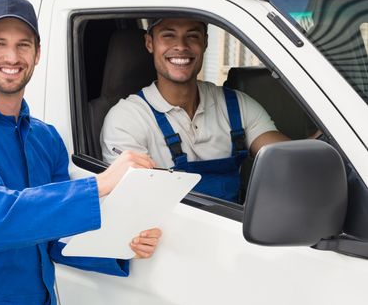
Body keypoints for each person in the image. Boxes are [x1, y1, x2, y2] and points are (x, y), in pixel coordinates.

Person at [0, 0, 161, 305]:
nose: (12, 56)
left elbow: (54, 238)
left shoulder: (46, 138)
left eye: (23, 44)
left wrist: (120, 245)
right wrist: (101, 184)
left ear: (37, 54)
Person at [101, 17, 290, 203]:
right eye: (168, 35)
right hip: (164, 233)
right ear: (150, 43)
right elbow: (134, 205)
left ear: (205, 42)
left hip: (233, 229)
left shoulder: (237, 106)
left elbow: (288, 159)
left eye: (192, 36)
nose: (181, 46)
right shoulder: (127, 119)